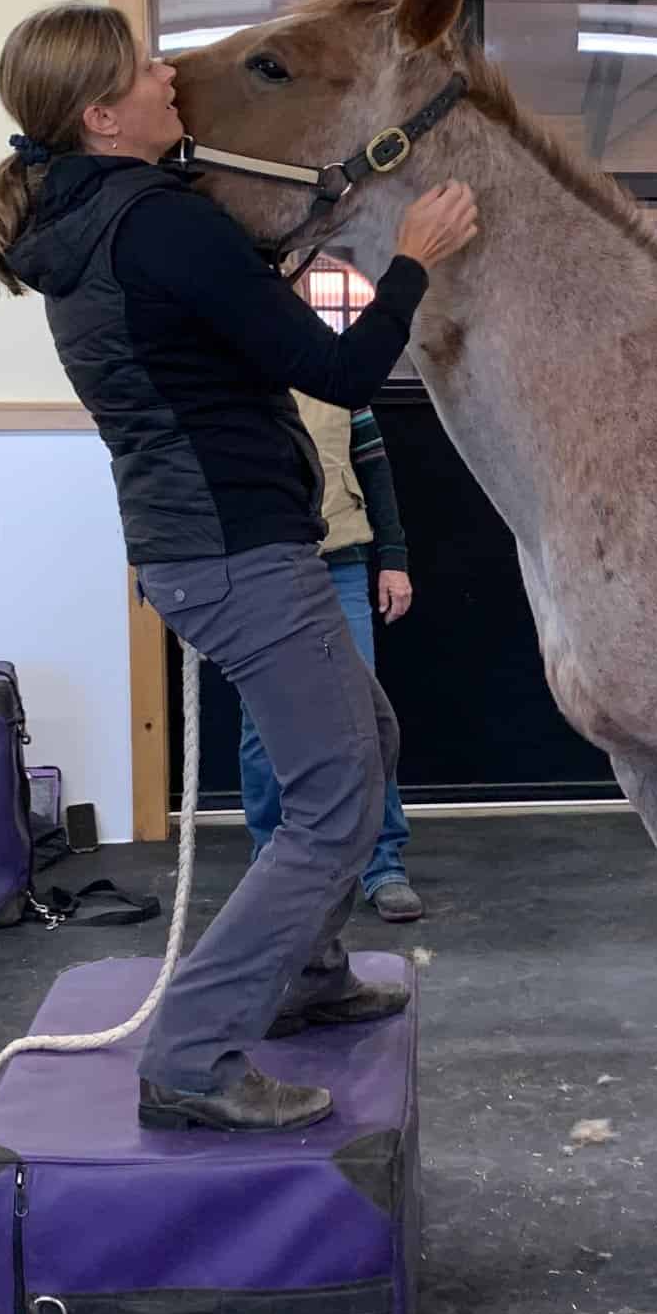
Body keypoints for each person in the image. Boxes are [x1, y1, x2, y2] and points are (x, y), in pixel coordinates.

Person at [0, 1, 478, 1132]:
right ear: (103, 114)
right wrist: (411, 263)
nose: (169, 78)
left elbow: (239, 324)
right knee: (337, 803)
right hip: (239, 551)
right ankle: (194, 1055)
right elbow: (338, 373)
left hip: (198, 548)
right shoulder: (159, 223)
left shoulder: (94, 217)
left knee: (366, 746)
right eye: (144, 70)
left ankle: (304, 978)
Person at [239, 393, 424, 921]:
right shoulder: (224, 366)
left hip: (340, 562)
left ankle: (382, 862)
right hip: (260, 569)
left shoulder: (332, 372)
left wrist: (393, 558)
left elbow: (376, 472)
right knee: (263, 727)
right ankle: (269, 865)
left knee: (363, 720)